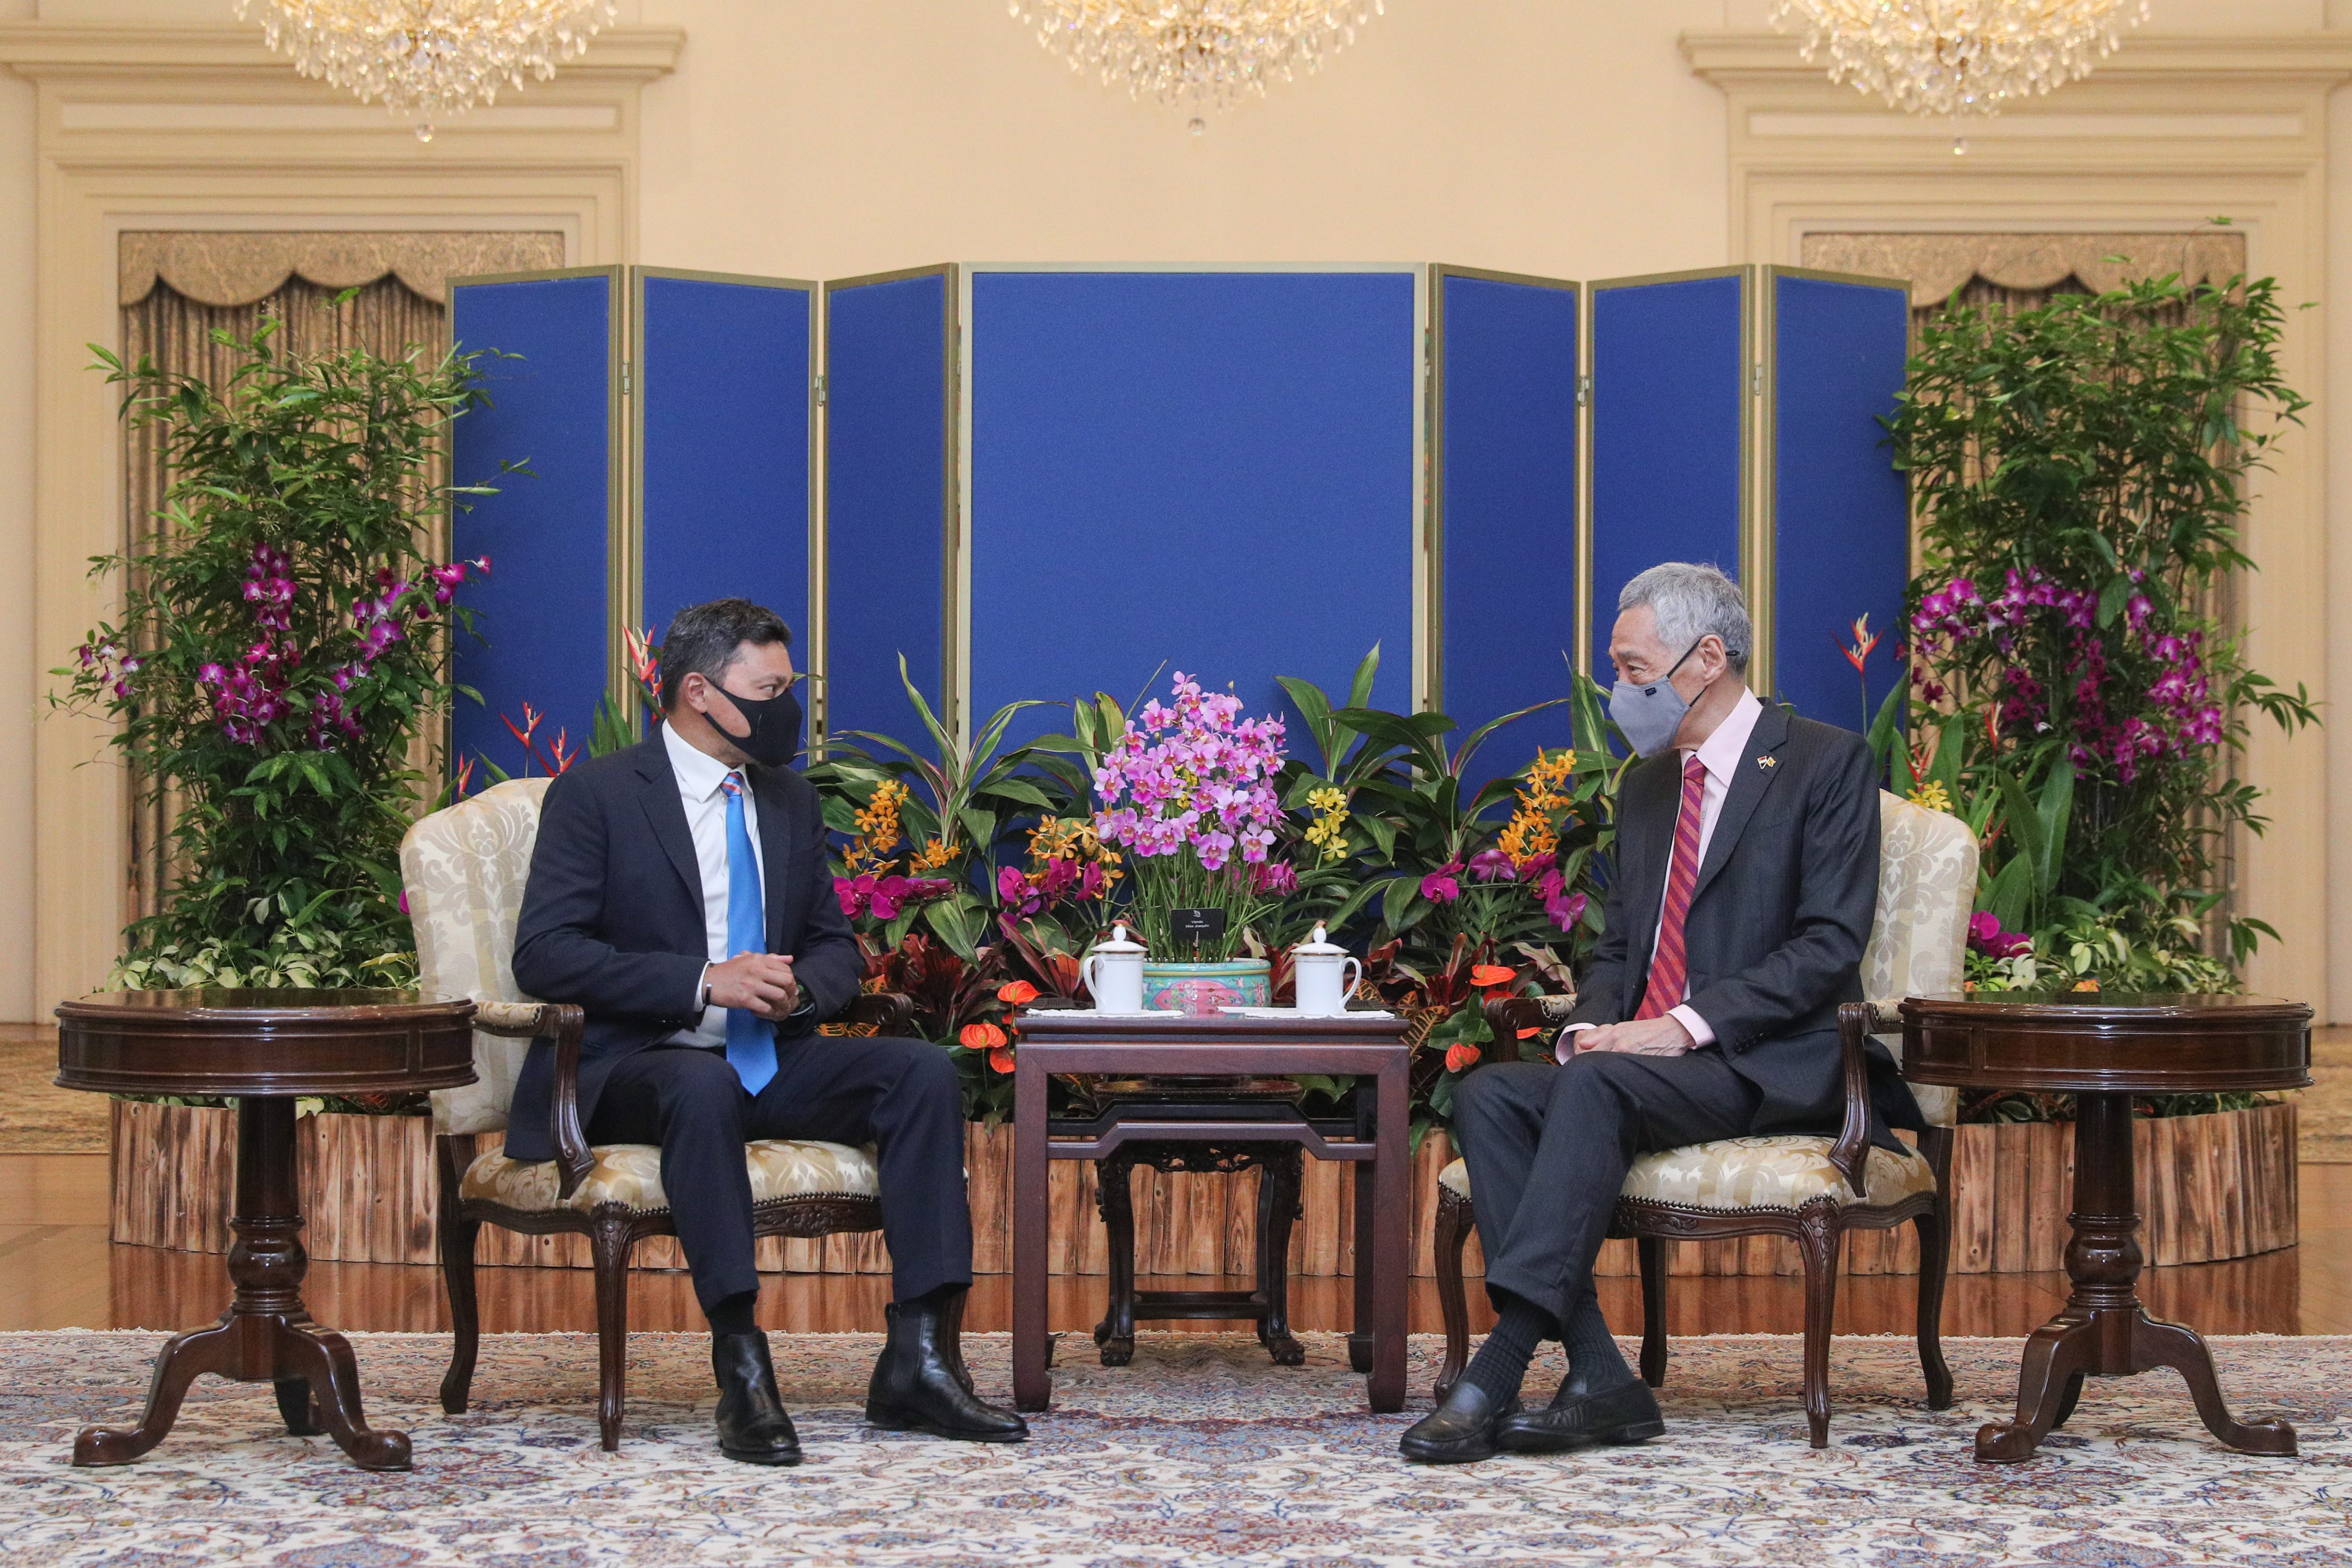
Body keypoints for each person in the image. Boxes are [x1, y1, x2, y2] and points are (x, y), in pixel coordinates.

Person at [1399, 561, 1922, 1464]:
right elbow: (1618, 950)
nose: (1620, 691)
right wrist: (1587, 1029)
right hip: (1638, 1068)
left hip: (1764, 1061)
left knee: (1599, 1085)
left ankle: (1502, 1364)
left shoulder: (1825, 763)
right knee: (1489, 1097)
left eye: (1634, 668)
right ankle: (1604, 1375)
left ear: (1707, 657)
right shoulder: (1647, 786)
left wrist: (1681, 1026)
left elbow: (1827, 946)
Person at [511, 597, 1026, 1465]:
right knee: (699, 1082)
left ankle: (921, 1359)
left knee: (922, 1074)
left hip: (763, 1057)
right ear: (701, 692)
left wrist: (801, 995)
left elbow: (829, 944)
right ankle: (742, 1369)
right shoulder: (597, 796)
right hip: (634, 1069)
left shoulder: (785, 799)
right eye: (771, 688)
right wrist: (702, 982)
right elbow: (546, 954)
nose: (790, 708)